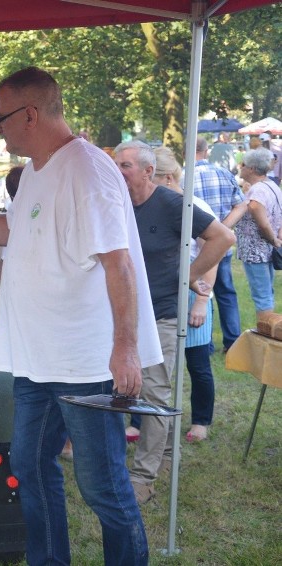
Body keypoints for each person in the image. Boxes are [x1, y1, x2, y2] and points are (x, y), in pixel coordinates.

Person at [0, 67, 162, 565]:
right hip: (38, 361)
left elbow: (120, 265)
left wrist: (126, 348)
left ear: (29, 113)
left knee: (104, 489)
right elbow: (15, 230)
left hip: (85, 364)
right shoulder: (34, 170)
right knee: (28, 467)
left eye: (0, 118)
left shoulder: (88, 171)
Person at [115, 140, 233, 504]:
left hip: (162, 314)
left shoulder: (171, 204)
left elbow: (223, 237)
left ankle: (143, 477)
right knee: (123, 392)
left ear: (149, 172)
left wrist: (189, 277)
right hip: (121, 315)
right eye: (116, 164)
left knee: (154, 394)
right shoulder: (115, 205)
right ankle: (161, 455)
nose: (118, 172)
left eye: (125, 166)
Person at [153, 146, 220, 443]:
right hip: (161, 296)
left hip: (193, 296)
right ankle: (144, 422)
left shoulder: (192, 206)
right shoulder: (150, 206)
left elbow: (212, 255)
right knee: (153, 365)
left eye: (149, 176)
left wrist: (202, 301)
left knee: (197, 363)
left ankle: (201, 421)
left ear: (167, 177)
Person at [191, 137, 247, 353]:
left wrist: (216, 230)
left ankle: (206, 342)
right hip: (220, 246)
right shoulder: (223, 173)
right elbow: (242, 205)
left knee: (202, 291)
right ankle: (232, 341)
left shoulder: (184, 177)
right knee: (225, 292)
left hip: (196, 249)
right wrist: (222, 228)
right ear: (206, 152)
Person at [235, 147, 282, 317]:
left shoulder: (257, 191)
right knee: (266, 292)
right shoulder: (271, 185)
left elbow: (262, 222)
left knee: (262, 296)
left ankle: (265, 333)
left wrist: (273, 240)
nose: (240, 166)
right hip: (268, 250)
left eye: (243, 164)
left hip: (257, 251)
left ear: (252, 168)